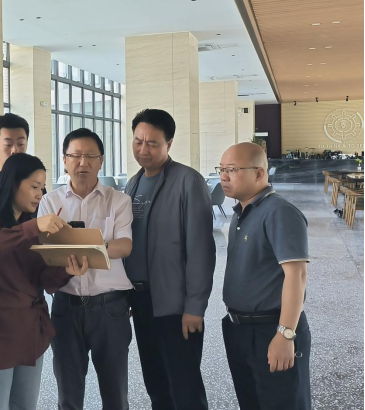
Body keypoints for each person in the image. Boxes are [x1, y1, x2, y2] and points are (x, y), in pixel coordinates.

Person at [0, 153, 88, 409]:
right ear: (12, 184)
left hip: (29, 332)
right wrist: (34, 227)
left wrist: (68, 269)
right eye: (34, 187)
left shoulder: (31, 225)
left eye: (42, 188)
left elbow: (43, 280)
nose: (39, 195)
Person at [125, 109, 216, 410]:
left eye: (152, 143)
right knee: (156, 383)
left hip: (175, 305)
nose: (143, 149)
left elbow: (201, 250)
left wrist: (195, 307)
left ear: (169, 143)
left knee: (184, 387)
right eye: (138, 141)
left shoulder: (188, 181)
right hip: (141, 301)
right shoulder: (133, 184)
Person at [38, 128, 134, 410]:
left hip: (110, 308)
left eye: (91, 156)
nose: (83, 163)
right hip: (65, 307)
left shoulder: (119, 200)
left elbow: (124, 246)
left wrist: (83, 248)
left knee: (115, 395)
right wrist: (96, 248)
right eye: (76, 156)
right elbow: (46, 252)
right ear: (64, 160)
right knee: (68, 396)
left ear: (101, 161)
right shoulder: (50, 202)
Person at [219, 142, 311, 410]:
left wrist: (285, 334)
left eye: (232, 170)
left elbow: (297, 275)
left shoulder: (279, 212)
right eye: (221, 169)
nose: (223, 176)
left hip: (271, 328)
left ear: (259, 173)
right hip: (239, 329)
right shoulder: (242, 213)